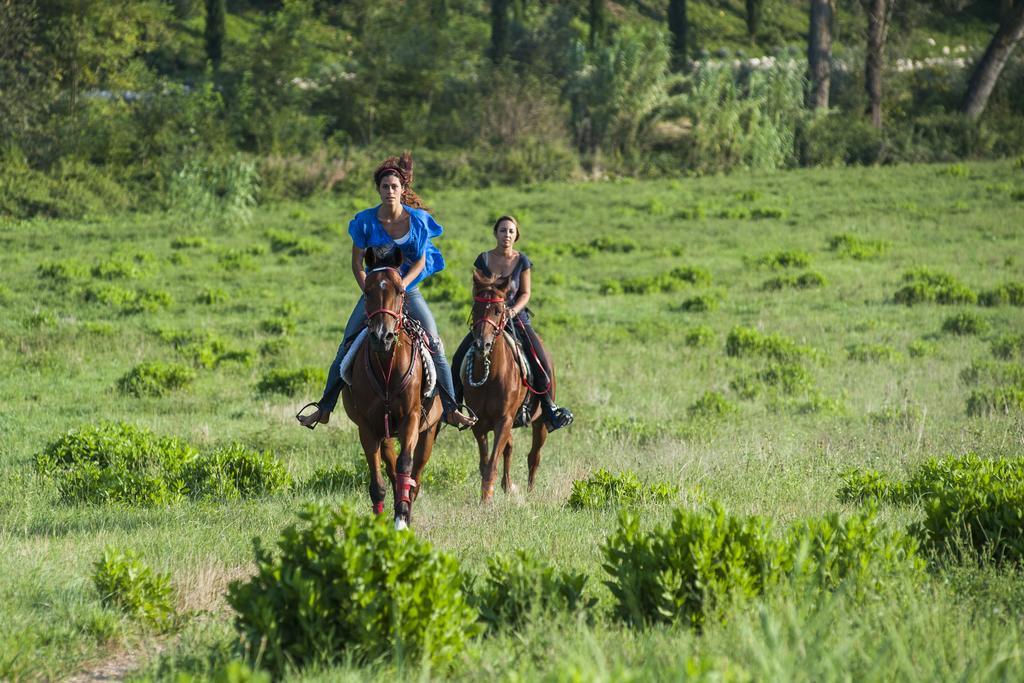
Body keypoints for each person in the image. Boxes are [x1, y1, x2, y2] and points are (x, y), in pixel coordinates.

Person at [297, 154, 476, 429]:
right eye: (385, 187)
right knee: (346, 345)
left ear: (402, 190)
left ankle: (452, 409)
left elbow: (421, 261)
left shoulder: (417, 221)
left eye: (394, 187)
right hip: (376, 294)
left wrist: (404, 285)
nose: (390, 191)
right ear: (379, 190)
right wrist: (368, 290)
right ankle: (323, 408)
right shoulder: (365, 222)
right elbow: (357, 263)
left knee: (435, 343)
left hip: (407, 291)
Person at [452, 215, 574, 431]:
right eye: (502, 230)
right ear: (495, 233)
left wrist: (512, 311)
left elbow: (526, 293)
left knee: (541, 359)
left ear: (516, 235)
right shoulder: (483, 259)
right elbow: (476, 289)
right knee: (458, 358)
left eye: (510, 231)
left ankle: (549, 410)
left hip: (515, 319)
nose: (506, 235)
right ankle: (453, 409)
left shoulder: (522, 261)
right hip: (488, 320)